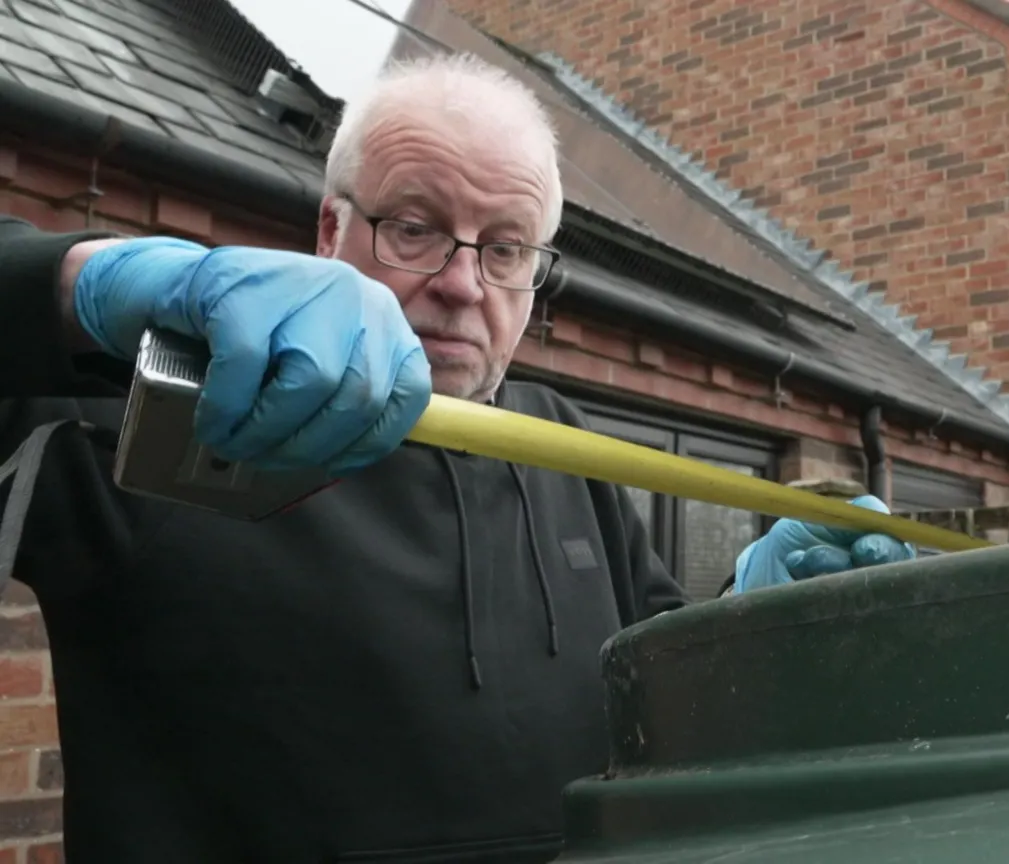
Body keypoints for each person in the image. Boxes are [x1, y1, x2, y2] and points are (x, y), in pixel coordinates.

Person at [0, 53, 912, 863]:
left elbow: (651, 702)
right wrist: (77, 286)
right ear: (330, 233)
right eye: (414, 227)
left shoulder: (566, 441)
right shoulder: (170, 405)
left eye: (507, 248)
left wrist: (748, 630)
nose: (462, 284)